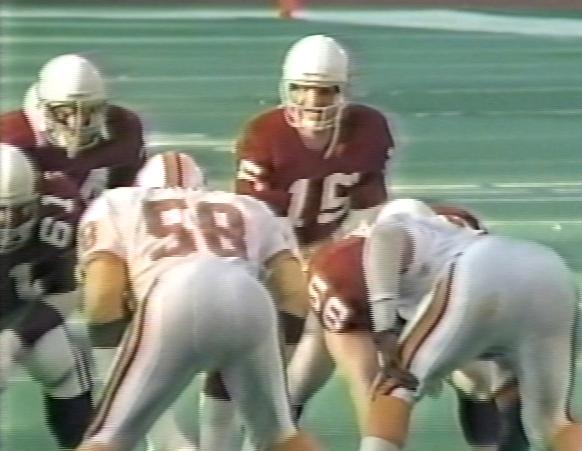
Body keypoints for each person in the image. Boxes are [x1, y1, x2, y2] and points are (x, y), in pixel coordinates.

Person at [200, 33, 396, 450]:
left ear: (343, 91)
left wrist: (336, 254)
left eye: (324, 90)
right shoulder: (266, 133)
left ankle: (280, 421)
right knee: (253, 349)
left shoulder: (367, 128)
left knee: (325, 333)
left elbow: (370, 209)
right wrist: (294, 261)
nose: (312, 100)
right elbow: (255, 216)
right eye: (303, 88)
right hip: (268, 252)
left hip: (331, 247)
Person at [76, 152, 319, 451]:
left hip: (176, 291)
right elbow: (295, 294)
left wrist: (109, 369)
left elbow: (103, 293)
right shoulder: (250, 206)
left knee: (108, 437)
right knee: (280, 436)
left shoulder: (117, 202)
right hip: (250, 295)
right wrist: (272, 365)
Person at [358, 199, 582, 451]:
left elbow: (387, 234)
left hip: (481, 272)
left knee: (394, 385)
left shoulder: (400, 228)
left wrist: (384, 330)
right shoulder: (454, 233)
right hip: (548, 270)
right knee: (552, 423)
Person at [0, 143, 93, 449]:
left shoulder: (59, 209)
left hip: (21, 310)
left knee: (61, 363)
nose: (10, 223)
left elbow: (67, 292)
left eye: (20, 210)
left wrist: (13, 340)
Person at [0, 53, 145, 203]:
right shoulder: (10, 140)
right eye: (63, 112)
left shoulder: (123, 129)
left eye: (90, 109)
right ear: (41, 108)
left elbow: (130, 198)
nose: (77, 122)